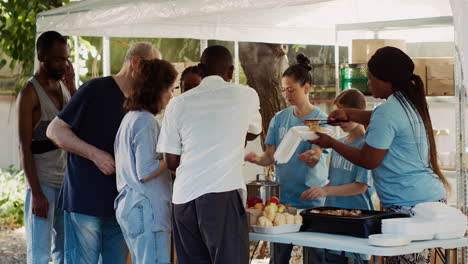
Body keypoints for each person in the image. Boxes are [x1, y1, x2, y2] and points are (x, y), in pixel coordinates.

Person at [310, 46, 449, 264]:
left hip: (408, 204)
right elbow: (377, 118)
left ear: (385, 80)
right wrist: (350, 114)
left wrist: (330, 142)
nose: (368, 83)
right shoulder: (407, 103)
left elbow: (368, 160)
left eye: (371, 78)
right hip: (427, 198)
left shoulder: (388, 111)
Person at [46, 42, 161, 264]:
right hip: (84, 200)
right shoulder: (95, 89)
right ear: (136, 63)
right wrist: (95, 154)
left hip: (122, 205)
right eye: (153, 67)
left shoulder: (142, 101)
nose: (155, 76)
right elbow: (55, 130)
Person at [157, 45, 262, 264]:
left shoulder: (178, 103)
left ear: (201, 69)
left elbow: (172, 161)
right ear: (231, 71)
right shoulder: (246, 95)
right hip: (222, 194)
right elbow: (254, 131)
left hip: (184, 199)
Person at [244, 54, 329, 264]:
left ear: (306, 88)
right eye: (284, 90)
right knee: (278, 257)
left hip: (311, 200)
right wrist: (257, 158)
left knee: (314, 256)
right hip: (282, 200)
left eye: (291, 90)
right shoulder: (279, 119)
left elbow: (318, 155)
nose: (286, 94)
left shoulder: (320, 120)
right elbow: (270, 157)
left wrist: (312, 157)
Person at [17, 30, 76, 264]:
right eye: (59, 58)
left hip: (67, 183)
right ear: (42, 55)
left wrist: (71, 85)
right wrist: (37, 193)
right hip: (42, 184)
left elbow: (80, 123)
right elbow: (24, 147)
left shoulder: (63, 86)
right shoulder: (29, 93)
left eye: (67, 58)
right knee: (39, 254)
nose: (65, 64)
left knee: (65, 250)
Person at [114, 59, 177, 264]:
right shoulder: (145, 121)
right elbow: (145, 170)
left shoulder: (130, 118)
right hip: (146, 209)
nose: (171, 94)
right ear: (156, 90)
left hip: (132, 206)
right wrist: (173, 157)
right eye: (169, 88)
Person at [301, 89, 374, 264]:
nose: (341, 121)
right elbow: (334, 182)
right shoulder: (338, 144)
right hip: (332, 220)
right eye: (337, 116)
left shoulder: (369, 146)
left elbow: (360, 186)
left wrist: (325, 191)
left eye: (345, 115)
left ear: (359, 113)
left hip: (356, 223)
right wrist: (319, 190)